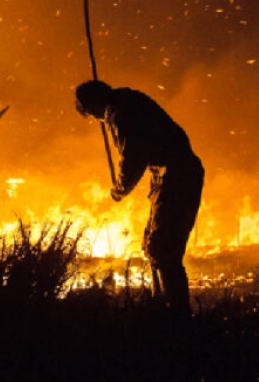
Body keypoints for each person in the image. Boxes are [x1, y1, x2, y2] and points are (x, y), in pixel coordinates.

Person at [75, 80, 204, 317]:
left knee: (163, 249)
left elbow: (133, 155)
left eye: (92, 114)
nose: (96, 120)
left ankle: (177, 316)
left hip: (178, 175)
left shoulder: (121, 113)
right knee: (152, 246)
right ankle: (162, 307)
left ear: (93, 106)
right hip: (169, 175)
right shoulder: (126, 100)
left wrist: (120, 189)